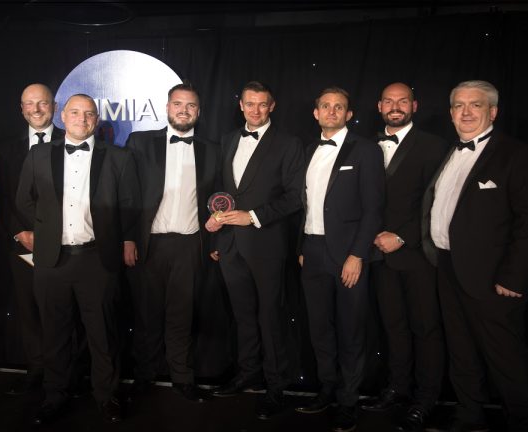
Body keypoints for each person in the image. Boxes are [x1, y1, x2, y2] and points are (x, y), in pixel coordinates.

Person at [421, 80, 528, 432]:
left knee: (505, 356)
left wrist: (513, 277)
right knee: (461, 351)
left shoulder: (518, 155)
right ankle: (469, 415)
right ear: (450, 113)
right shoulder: (451, 151)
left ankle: (521, 422)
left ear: (492, 111)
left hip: (495, 277)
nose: (466, 112)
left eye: (475, 105)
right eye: (459, 106)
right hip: (447, 267)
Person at [15, 94, 140, 425]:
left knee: (102, 333)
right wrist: (45, 228)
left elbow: (129, 203)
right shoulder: (39, 154)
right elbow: (23, 200)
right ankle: (55, 396)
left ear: (96, 119)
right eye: (75, 112)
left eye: (89, 114)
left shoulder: (118, 157)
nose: (81, 119)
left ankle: (106, 395)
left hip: (97, 259)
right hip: (51, 260)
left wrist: (124, 238)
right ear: (61, 116)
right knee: (55, 334)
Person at [206, 81, 304, 419]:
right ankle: (248, 373)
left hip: (267, 244)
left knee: (270, 317)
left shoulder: (289, 144)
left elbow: (294, 197)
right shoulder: (229, 139)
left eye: (262, 104)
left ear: (272, 106)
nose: (256, 110)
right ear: (241, 105)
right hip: (231, 245)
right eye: (250, 104)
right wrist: (219, 232)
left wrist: (254, 217)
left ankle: (276, 385)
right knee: (243, 316)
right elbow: (223, 192)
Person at [295, 87, 385, 432]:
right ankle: (326, 389)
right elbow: (304, 205)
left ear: (349, 115)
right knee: (319, 329)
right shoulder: (306, 151)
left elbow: (373, 209)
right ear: (316, 112)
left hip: (348, 255)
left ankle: (348, 400)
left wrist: (358, 254)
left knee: (350, 331)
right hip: (313, 252)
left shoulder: (366, 150)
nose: (332, 111)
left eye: (339, 107)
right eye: (326, 106)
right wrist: (302, 248)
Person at [360, 83, 448, 432]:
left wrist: (402, 236)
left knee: (425, 329)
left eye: (402, 101)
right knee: (393, 327)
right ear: (380, 105)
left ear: (414, 105)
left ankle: (426, 399)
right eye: (389, 102)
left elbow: (439, 202)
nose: (395, 107)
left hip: (416, 256)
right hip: (378, 256)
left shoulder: (434, 146)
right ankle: (397, 388)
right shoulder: (365, 146)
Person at [124, 82, 218, 402]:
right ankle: (144, 376)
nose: (183, 110)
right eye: (178, 104)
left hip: (191, 244)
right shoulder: (139, 142)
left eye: (190, 106)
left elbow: (221, 196)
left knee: (182, 314)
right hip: (149, 243)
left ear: (198, 112)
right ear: (166, 108)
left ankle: (182, 376)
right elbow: (128, 196)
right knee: (147, 314)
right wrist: (128, 239)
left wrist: (218, 225)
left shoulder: (211, 149)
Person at [0, 83, 65, 396]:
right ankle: (37, 371)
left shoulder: (73, 140)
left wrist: (51, 233)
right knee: (29, 312)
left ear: (54, 105)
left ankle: (66, 374)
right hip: (20, 243)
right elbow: (0, 196)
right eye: (30, 104)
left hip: (65, 243)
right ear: (21, 108)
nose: (36, 109)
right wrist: (19, 232)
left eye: (43, 103)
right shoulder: (6, 148)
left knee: (64, 311)